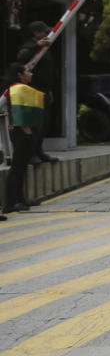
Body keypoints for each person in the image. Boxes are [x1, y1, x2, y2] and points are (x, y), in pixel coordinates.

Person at [4, 63, 45, 215]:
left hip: (24, 132)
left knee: (21, 168)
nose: (31, 74)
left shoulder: (20, 88)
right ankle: (10, 203)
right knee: (16, 168)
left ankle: (20, 199)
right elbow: (18, 112)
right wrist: (26, 131)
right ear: (20, 74)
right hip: (21, 133)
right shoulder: (17, 88)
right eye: (28, 71)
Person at [16, 20, 58, 163]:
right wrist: (36, 46)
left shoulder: (46, 49)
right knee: (34, 124)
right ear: (36, 33)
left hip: (45, 90)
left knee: (44, 124)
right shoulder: (29, 47)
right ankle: (30, 153)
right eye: (44, 32)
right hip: (33, 90)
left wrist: (50, 89)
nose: (47, 35)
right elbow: (21, 58)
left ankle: (39, 151)